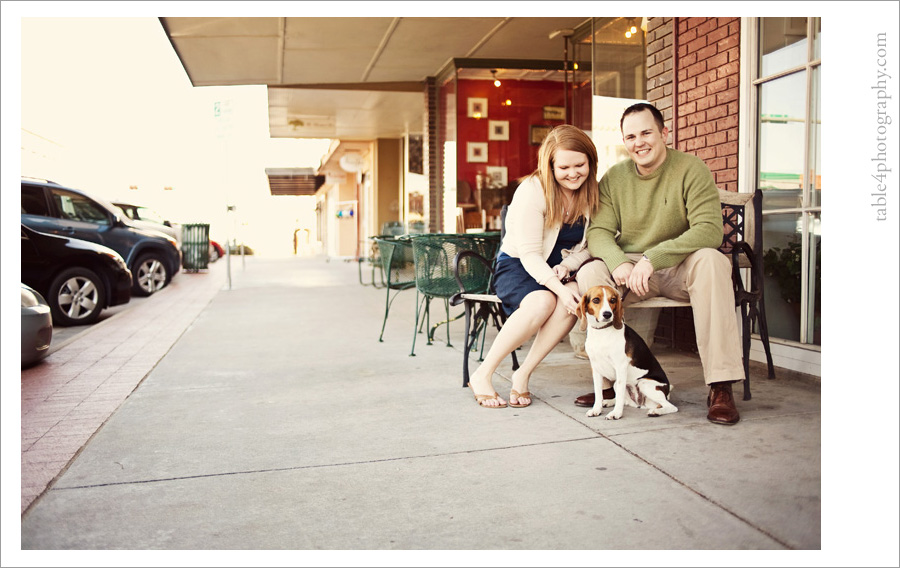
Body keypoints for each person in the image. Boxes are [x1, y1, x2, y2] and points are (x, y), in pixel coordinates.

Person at [575, 102, 745, 425]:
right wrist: (618, 262)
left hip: (681, 263)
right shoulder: (614, 179)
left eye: (646, 132)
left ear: (664, 133)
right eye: (631, 136)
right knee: (591, 272)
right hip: (632, 270)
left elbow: (709, 230)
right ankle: (612, 383)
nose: (639, 142)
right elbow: (598, 232)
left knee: (713, 262)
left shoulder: (692, 169)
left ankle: (721, 385)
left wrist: (654, 258)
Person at [467, 125, 601, 408]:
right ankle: (482, 373)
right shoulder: (533, 190)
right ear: (550, 166)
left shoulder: (591, 193)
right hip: (518, 266)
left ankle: (522, 374)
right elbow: (528, 254)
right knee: (543, 301)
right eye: (564, 167)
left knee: (573, 299)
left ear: (591, 161)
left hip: (559, 269)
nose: (573, 173)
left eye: (580, 165)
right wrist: (559, 290)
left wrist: (567, 266)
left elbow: (589, 244)